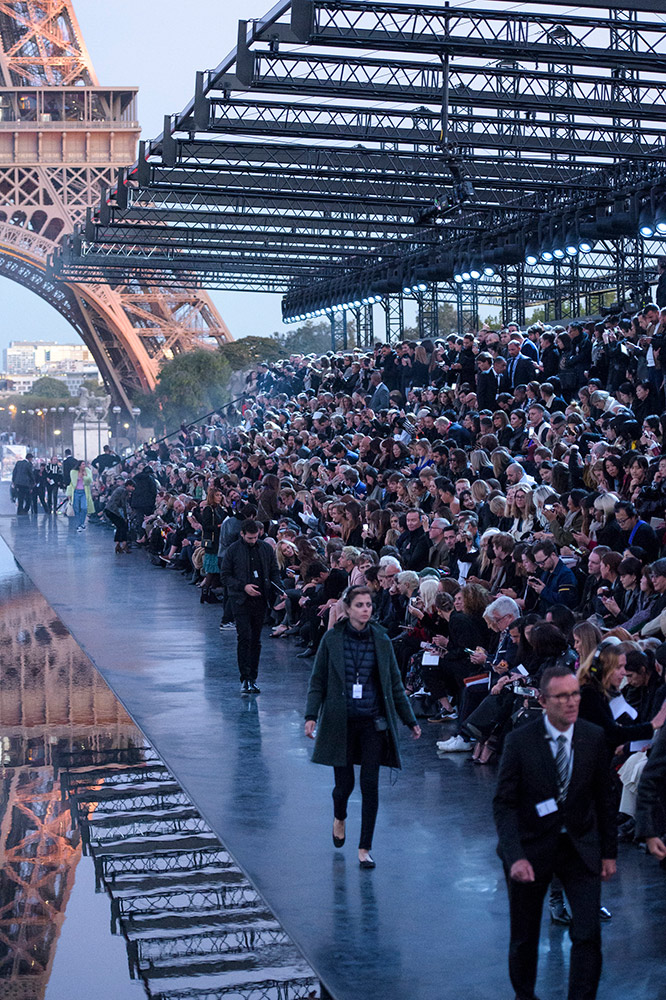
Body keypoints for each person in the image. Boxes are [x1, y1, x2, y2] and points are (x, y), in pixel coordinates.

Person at [493, 664, 617, 1000]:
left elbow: (605, 798)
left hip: (580, 846)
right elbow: (504, 803)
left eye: (575, 694)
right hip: (532, 847)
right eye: (561, 697)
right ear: (544, 701)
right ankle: (525, 996)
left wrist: (608, 853)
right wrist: (515, 856)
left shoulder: (592, 737)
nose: (571, 702)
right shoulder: (520, 741)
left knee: (588, 933)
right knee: (525, 935)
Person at [304, 585, 421, 868]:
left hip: (372, 721)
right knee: (344, 786)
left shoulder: (381, 639)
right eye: (359, 605)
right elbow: (318, 681)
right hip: (340, 722)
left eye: (368, 604)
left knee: (370, 785)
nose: (366, 609)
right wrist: (311, 716)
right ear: (347, 608)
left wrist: (410, 720)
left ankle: (365, 847)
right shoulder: (331, 640)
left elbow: (394, 683)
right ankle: (340, 816)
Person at [219, 519, 281, 694]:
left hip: (260, 601)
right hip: (240, 600)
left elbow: (274, 571)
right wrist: (243, 586)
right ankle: (245, 678)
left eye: (255, 537)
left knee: (256, 640)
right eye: (250, 538)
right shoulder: (233, 551)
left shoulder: (266, 549)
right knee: (244, 638)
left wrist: (279, 589)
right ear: (242, 534)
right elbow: (225, 576)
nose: (253, 540)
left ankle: (253, 677)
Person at [103, 479, 135, 552]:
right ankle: (123, 545)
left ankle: (119, 545)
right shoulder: (123, 491)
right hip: (113, 511)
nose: (133, 489)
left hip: (110, 510)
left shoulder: (120, 489)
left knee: (120, 526)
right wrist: (125, 516)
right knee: (123, 526)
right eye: (132, 487)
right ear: (129, 485)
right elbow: (123, 504)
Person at [66, 460, 93, 533]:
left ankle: (82, 523)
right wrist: (69, 494)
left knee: (84, 507)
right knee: (76, 509)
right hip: (76, 492)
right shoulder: (73, 472)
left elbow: (90, 481)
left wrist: (85, 476)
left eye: (85, 464)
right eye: (83, 464)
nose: (84, 466)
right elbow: (72, 484)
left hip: (84, 492)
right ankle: (79, 524)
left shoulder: (87, 471)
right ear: (79, 466)